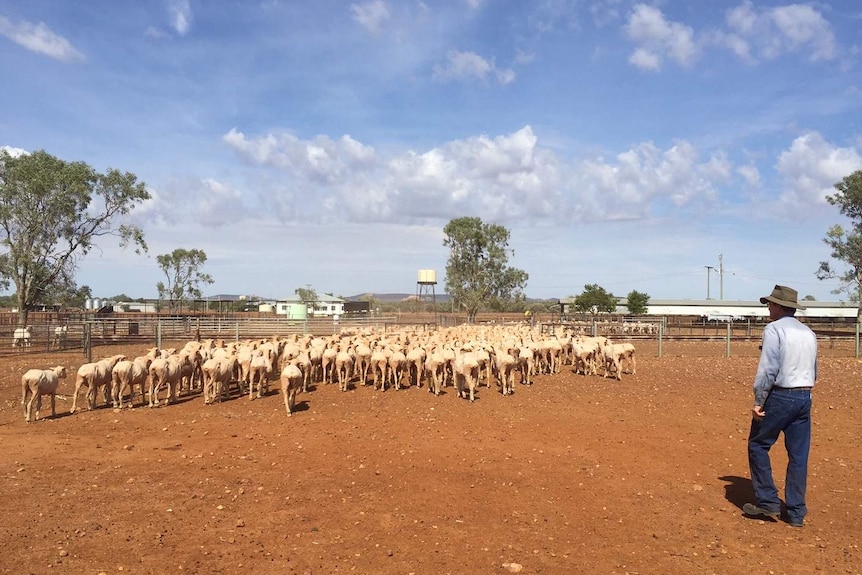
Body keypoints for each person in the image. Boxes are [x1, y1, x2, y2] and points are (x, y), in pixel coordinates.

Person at [744, 285, 817, 528]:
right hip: (804, 397)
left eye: (771, 304)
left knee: (758, 445)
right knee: (798, 455)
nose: (768, 307)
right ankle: (796, 513)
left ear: (779, 306)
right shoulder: (808, 333)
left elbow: (768, 369)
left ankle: (768, 502)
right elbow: (814, 370)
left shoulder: (774, 329)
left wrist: (758, 400)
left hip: (781, 396)